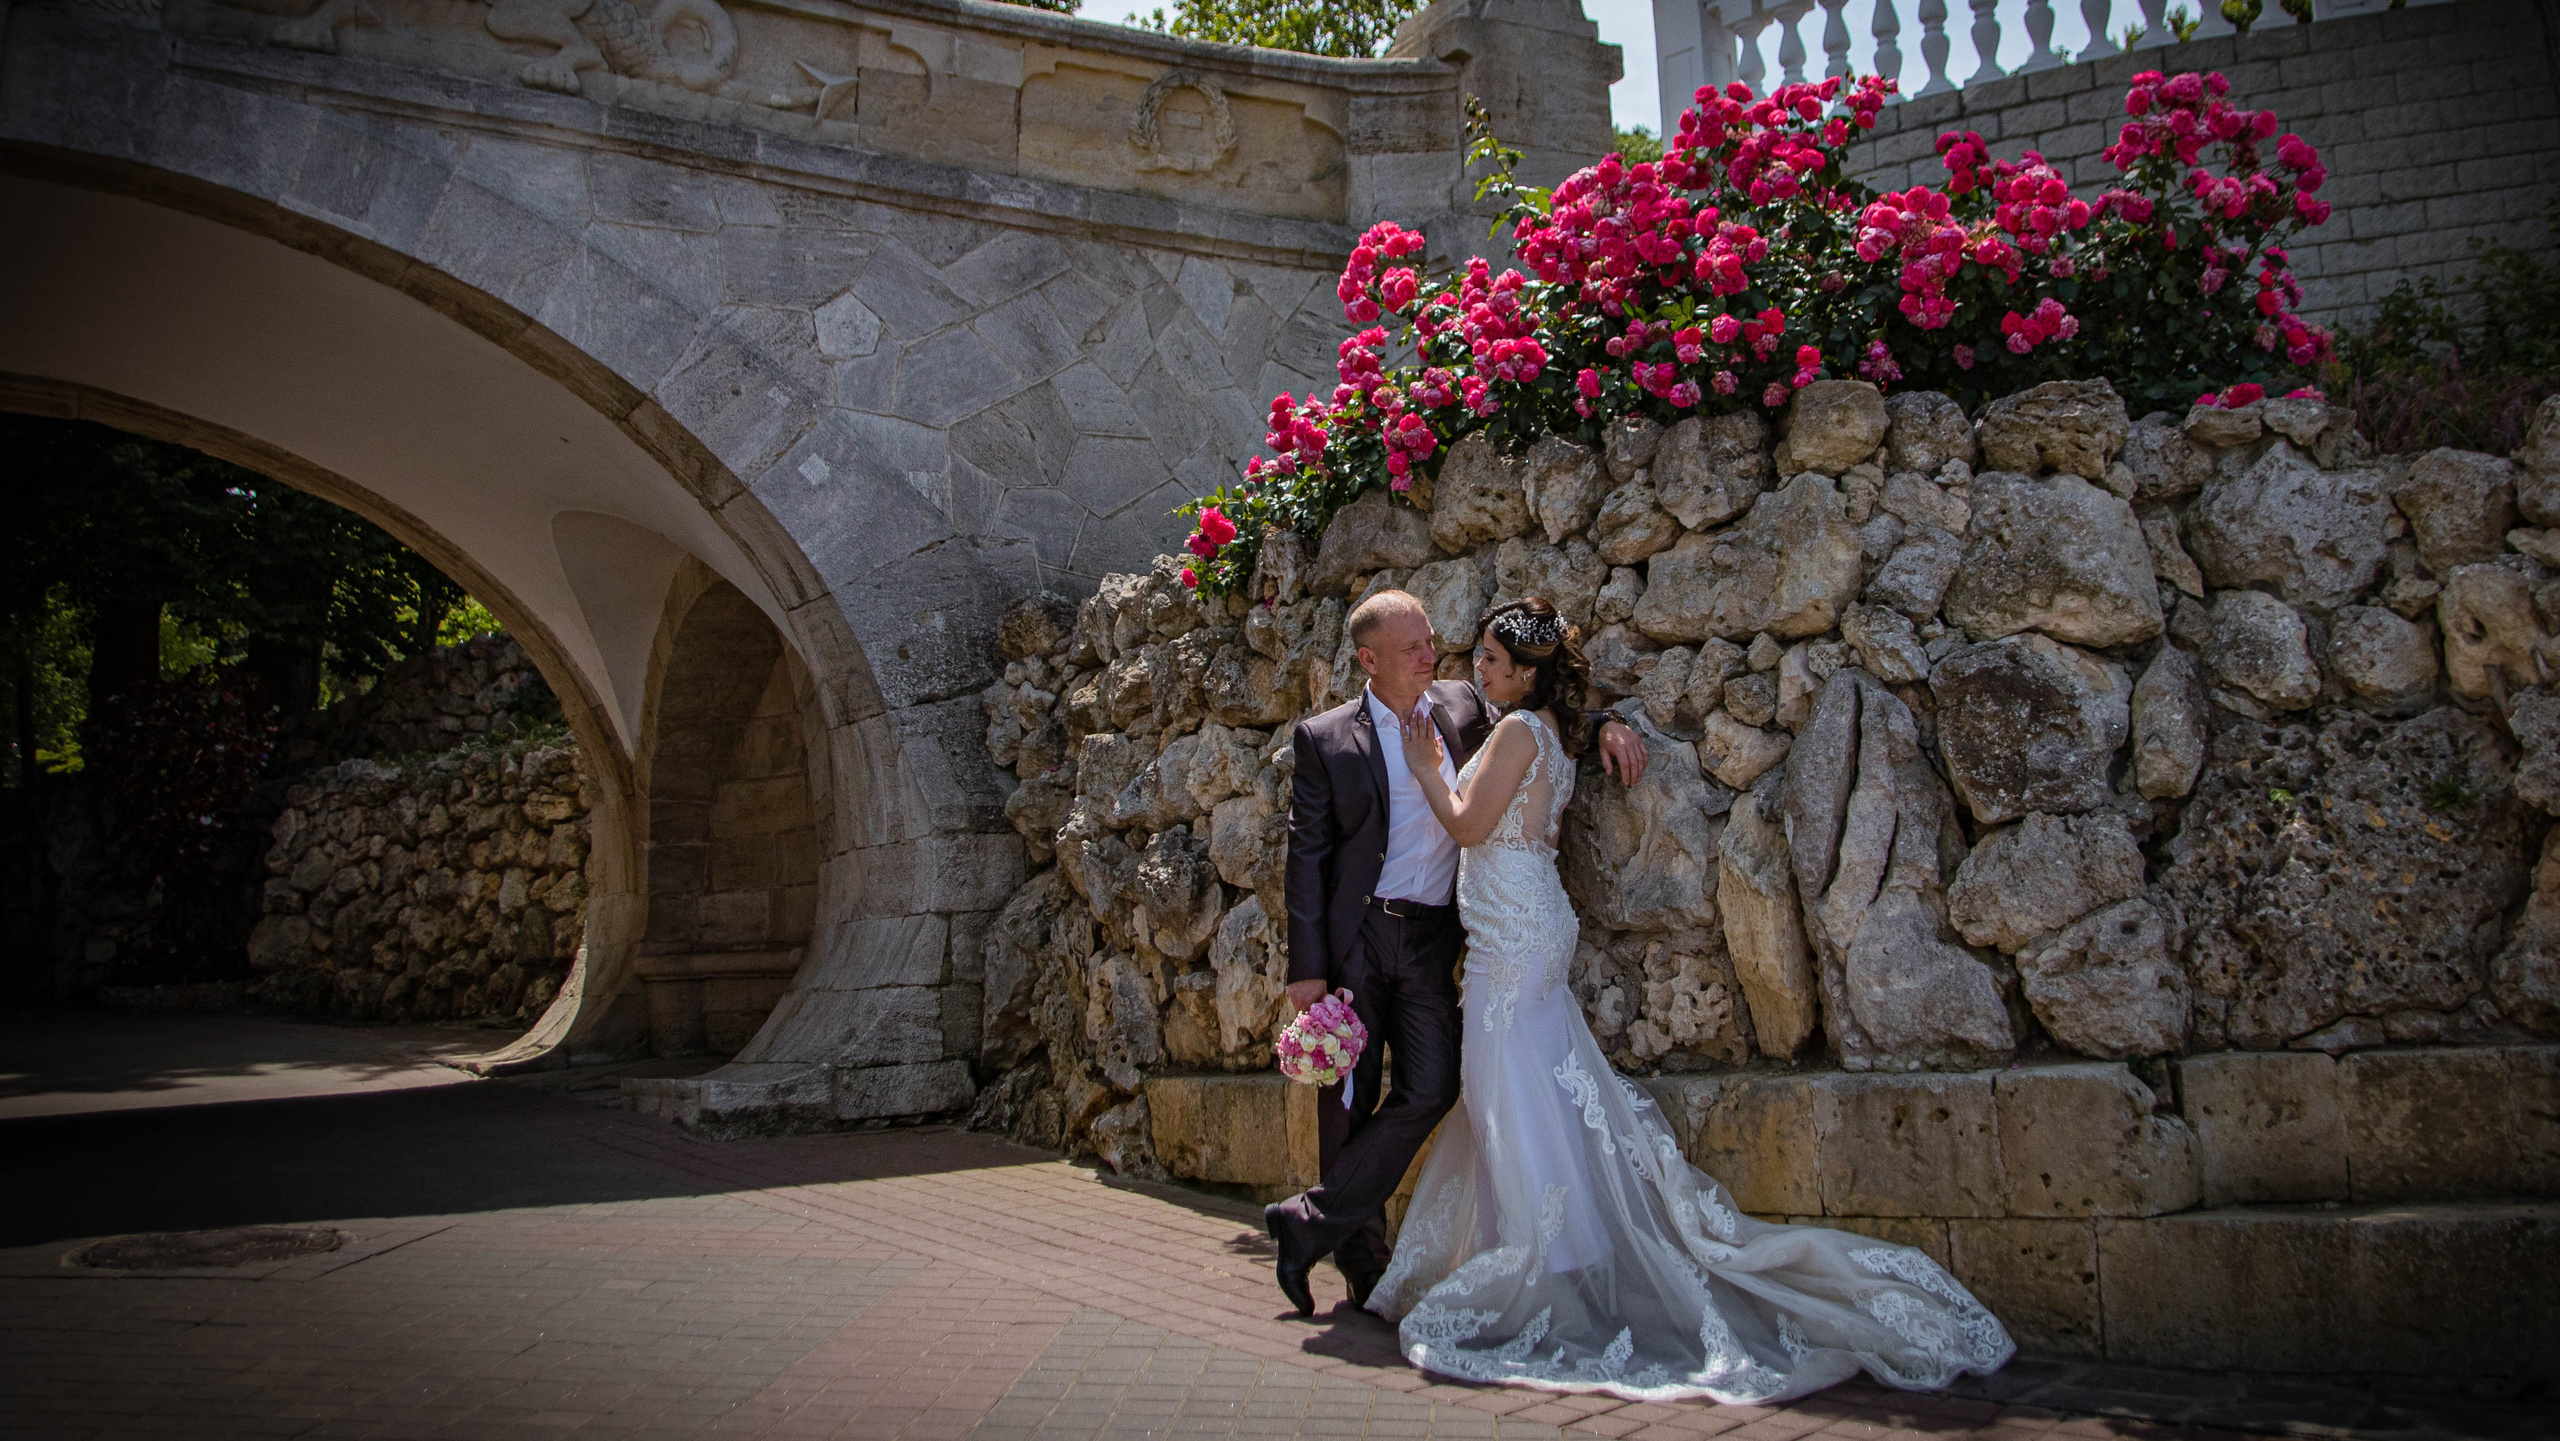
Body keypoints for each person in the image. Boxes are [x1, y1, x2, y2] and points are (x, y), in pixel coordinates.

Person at [1359, 596, 2015, 1404]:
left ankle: (1548, 1266)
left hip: (1515, 937)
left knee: (1508, 1091)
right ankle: (1557, 1250)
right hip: (1528, 924)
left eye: (1492, 660)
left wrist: (1427, 764)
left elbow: (1464, 823)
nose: (1477, 669)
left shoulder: (1518, 730)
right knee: (1531, 1090)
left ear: (1527, 674)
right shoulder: (1552, 732)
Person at [1262, 589, 1650, 1316]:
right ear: (1368, 659)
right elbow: (1305, 855)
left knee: (1433, 1085)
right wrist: (1307, 969)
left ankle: (1304, 1220)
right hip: (1358, 938)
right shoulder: (1326, 737)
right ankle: (1361, 1261)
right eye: (1412, 647)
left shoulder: (1464, 706)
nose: (1430, 656)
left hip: (1433, 935)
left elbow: (1536, 720)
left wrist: (1608, 725)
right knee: (1347, 1101)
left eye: (1431, 641)